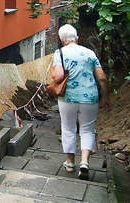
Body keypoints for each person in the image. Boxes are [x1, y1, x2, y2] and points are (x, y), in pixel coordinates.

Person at [50, 24, 109, 180]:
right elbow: (102, 78)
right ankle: (84, 162)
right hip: (90, 97)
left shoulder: (60, 53)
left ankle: (70, 163)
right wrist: (105, 97)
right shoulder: (90, 53)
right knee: (87, 129)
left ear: (62, 39)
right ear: (76, 37)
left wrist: (54, 72)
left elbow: (57, 77)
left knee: (68, 128)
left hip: (68, 97)